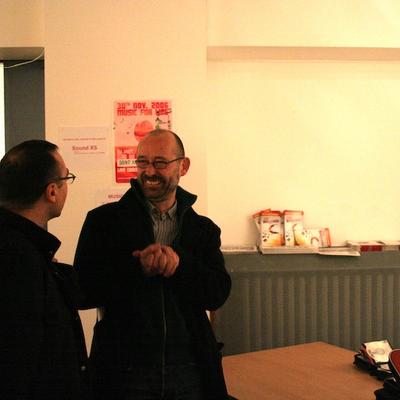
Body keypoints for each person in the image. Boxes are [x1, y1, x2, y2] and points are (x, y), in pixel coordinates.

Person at [74, 129, 232, 400]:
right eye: (142, 162)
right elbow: (82, 291)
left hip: (190, 369)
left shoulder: (203, 229)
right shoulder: (103, 222)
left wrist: (180, 265)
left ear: (183, 166)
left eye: (160, 162)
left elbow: (216, 294)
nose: (149, 171)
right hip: (124, 371)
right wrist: (137, 269)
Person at [0, 140, 87, 399]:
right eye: (66, 178)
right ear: (51, 191)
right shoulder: (20, 259)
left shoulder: (26, 251)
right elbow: (21, 358)